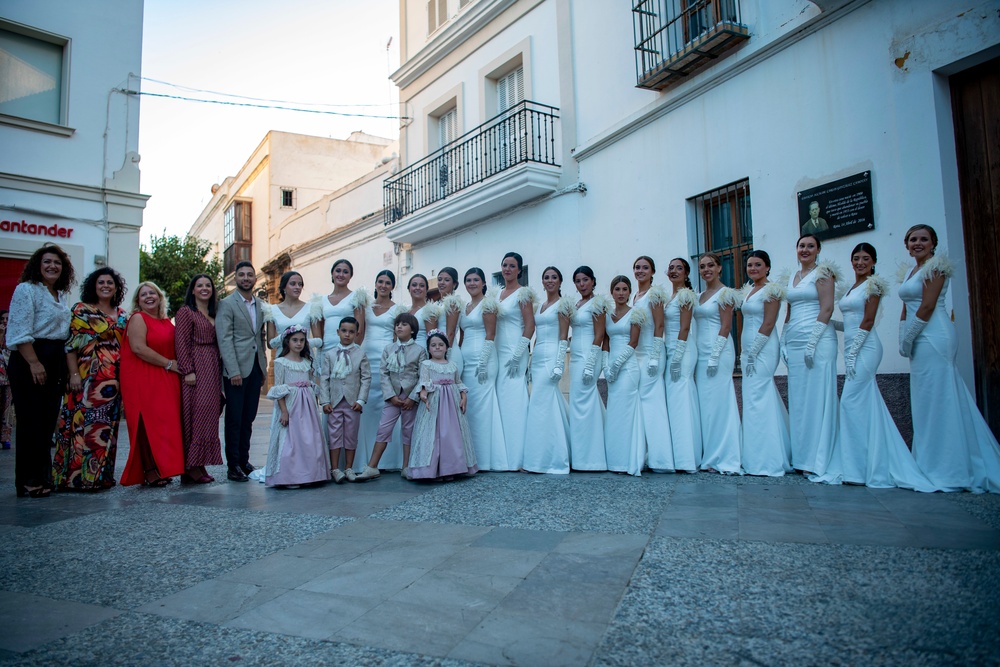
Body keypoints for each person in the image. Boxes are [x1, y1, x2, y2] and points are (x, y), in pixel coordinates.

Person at [811, 243, 937, 491]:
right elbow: (851, 321)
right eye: (856, 258)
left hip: (866, 349)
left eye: (865, 258)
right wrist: (831, 325)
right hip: (852, 348)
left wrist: (853, 353)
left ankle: (862, 467)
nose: (860, 262)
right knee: (864, 404)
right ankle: (861, 464)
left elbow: (867, 321)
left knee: (849, 402)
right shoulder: (851, 289)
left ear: (873, 261)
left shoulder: (873, 285)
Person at [898, 224, 1000, 492]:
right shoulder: (910, 271)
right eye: (912, 240)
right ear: (906, 244)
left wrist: (910, 336)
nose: (917, 243)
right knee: (925, 399)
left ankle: (950, 468)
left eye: (923, 239)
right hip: (916, 335)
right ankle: (927, 462)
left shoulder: (937, 267)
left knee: (941, 395)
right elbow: (905, 307)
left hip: (934, 335)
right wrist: (902, 335)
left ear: (933, 243)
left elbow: (928, 305)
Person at [6, 245, 74, 497]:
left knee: (46, 424)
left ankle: (44, 475)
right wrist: (34, 363)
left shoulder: (59, 295)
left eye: (57, 262)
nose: (52, 266)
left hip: (54, 358)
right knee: (30, 422)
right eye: (47, 261)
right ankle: (27, 480)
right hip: (30, 358)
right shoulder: (27, 290)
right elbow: (20, 330)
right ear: (38, 264)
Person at [53, 267, 128, 491]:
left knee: (105, 429)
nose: (105, 286)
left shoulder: (123, 314)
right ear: (93, 286)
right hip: (86, 378)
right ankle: (76, 478)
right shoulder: (82, 310)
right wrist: (74, 374)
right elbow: (70, 346)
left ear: (116, 288)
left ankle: (100, 477)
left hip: (113, 381)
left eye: (110, 283)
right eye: (101, 282)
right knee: (79, 427)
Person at [782, 234, 841, 475]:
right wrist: (784, 340)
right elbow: (789, 310)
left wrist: (813, 342)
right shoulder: (792, 277)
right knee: (800, 400)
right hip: (794, 342)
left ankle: (819, 460)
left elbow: (827, 307)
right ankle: (803, 458)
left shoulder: (823, 273)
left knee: (817, 397)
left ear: (818, 250)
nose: (805, 250)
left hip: (817, 341)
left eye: (810, 246)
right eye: (801, 246)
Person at [119, 282, 184, 487]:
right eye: (143, 294)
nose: (148, 297)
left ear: (159, 296)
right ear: (138, 301)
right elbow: (138, 348)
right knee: (146, 424)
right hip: (145, 377)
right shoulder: (138, 318)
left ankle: (162, 467)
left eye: (152, 293)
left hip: (166, 377)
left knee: (163, 424)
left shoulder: (166, 322)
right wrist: (168, 364)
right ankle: (149, 470)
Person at [739, 251, 792, 476]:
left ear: (767, 267)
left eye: (758, 265)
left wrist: (753, 352)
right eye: (750, 265)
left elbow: (769, 323)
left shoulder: (772, 290)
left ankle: (768, 459)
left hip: (764, 348)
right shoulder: (750, 290)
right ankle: (755, 454)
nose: (753, 269)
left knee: (759, 397)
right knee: (752, 399)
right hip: (747, 349)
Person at [356, 313, 427, 480]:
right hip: (393, 398)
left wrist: (413, 397)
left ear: (412, 330)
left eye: (404, 324)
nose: (399, 327)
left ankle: (406, 466)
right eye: (397, 324)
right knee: (383, 429)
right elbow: (384, 373)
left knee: (408, 430)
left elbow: (422, 376)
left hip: (410, 398)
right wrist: (390, 396)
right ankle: (372, 466)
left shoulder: (419, 351)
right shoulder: (389, 349)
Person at [216, 261, 267, 482]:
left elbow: (260, 336)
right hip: (236, 371)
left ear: (255, 279)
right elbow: (224, 339)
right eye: (242, 275)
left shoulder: (261, 305)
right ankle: (233, 465)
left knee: (249, 418)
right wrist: (232, 370)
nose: (246, 278)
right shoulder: (226, 304)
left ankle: (244, 459)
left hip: (256, 368)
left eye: (249, 275)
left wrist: (263, 367)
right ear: (235, 278)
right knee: (235, 419)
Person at [693, 253, 742, 474]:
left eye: (710, 265)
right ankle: (709, 454)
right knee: (706, 405)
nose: (706, 270)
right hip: (700, 351)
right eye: (702, 266)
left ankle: (724, 454)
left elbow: (726, 326)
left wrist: (715, 354)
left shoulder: (725, 294)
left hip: (718, 351)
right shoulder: (699, 295)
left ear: (720, 268)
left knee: (720, 402)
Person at [406, 330, 478, 480]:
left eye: (441, 345)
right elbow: (424, 382)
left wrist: (464, 396)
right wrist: (424, 394)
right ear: (429, 348)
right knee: (432, 435)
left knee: (451, 435)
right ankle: (432, 470)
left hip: (451, 405)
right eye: (433, 345)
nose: (437, 348)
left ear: (446, 347)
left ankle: (451, 469)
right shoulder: (426, 364)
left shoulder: (452, 365)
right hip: (434, 403)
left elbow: (458, 382)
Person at [522, 266, 573, 474]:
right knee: (541, 402)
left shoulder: (563, 304)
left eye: (554, 277)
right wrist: (530, 361)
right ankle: (542, 456)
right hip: (539, 353)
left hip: (553, 354)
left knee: (544, 402)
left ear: (560, 282)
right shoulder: (539, 306)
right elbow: (535, 333)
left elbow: (563, 335)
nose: (550, 281)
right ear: (542, 282)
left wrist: (560, 363)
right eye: (546, 278)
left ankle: (552, 459)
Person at [264, 326, 329, 488]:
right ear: (287, 341)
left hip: (307, 408)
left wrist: (315, 405)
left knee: (309, 439)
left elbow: (312, 386)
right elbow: (279, 389)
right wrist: (284, 411)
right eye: (295, 340)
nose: (299, 344)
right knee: (291, 441)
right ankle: (290, 477)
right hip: (291, 406)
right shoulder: (280, 362)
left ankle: (310, 475)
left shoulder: (307, 362)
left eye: (301, 340)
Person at [175, 273, 224, 484]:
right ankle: (190, 466)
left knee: (209, 416)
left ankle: (200, 463)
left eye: (208, 285)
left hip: (213, 366)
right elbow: (181, 343)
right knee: (196, 416)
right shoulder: (186, 312)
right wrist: (188, 370)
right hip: (197, 366)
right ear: (193, 290)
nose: (204, 288)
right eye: (200, 285)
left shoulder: (216, 311)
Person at [357, 269, 407, 472]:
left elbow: (398, 337)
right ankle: (363, 457)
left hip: (388, 359)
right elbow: (359, 332)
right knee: (367, 406)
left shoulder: (398, 309)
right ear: (375, 284)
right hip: (367, 355)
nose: (383, 285)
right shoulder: (365, 306)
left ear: (392, 286)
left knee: (386, 406)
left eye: (387, 283)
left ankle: (389, 460)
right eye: (380, 282)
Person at [459, 267, 507, 470]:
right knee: (469, 407)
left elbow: (490, 334)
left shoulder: (488, 304)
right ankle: (471, 455)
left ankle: (488, 458)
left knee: (483, 407)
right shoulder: (464, 306)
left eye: (476, 280)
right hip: (466, 360)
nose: (472, 283)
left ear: (484, 283)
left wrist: (482, 361)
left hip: (484, 361)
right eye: (468, 280)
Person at [631, 256, 674, 471]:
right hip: (637, 354)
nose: (640, 271)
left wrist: (656, 356)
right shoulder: (635, 295)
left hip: (651, 353)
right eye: (637, 267)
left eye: (645, 268)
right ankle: (644, 452)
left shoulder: (654, 294)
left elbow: (659, 326)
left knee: (652, 403)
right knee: (641, 403)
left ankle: (661, 459)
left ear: (652, 271)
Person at [494, 252, 536, 470]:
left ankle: (518, 456)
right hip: (498, 352)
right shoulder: (496, 294)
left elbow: (530, 325)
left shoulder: (523, 294)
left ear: (519, 270)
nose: (507, 269)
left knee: (514, 399)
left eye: (512, 266)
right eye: (504, 265)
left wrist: (519, 354)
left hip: (514, 351)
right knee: (501, 399)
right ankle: (502, 454)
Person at [319, 316, 371, 483]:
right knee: (334, 435)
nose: (347, 335)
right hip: (334, 403)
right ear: (338, 332)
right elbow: (324, 378)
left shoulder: (360, 354)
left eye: (351, 332)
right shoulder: (330, 354)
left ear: (357, 334)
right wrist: (325, 401)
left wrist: (361, 400)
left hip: (352, 403)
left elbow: (366, 378)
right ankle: (335, 469)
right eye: (344, 331)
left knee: (351, 435)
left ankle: (349, 467)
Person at [567, 266, 608, 471]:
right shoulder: (576, 304)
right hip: (575, 357)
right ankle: (581, 455)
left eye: (585, 280)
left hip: (589, 357)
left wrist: (591, 363)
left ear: (593, 281)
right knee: (577, 403)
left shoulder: (597, 303)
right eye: (578, 281)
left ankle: (593, 458)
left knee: (586, 401)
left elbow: (599, 334)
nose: (581, 284)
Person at [604, 275, 645, 476]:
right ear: (612, 292)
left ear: (630, 292)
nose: (621, 293)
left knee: (627, 411)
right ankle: (615, 459)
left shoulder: (636, 313)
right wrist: (606, 365)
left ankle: (628, 460)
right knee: (614, 411)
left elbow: (634, 341)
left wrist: (618, 363)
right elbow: (604, 341)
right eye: (617, 289)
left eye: (624, 289)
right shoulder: (606, 315)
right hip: (611, 367)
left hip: (628, 367)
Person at [664, 259, 701, 473]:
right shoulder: (670, 297)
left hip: (683, 350)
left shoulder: (686, 295)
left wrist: (677, 356)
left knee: (681, 397)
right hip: (670, 350)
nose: (674, 271)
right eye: (671, 268)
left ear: (686, 273)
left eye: (679, 268)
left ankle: (686, 457)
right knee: (675, 400)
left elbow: (685, 327)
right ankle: (678, 452)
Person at [263, 271, 323, 351]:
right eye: (293, 284)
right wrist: (283, 337)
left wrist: (302, 343)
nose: (297, 287)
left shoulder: (311, 308)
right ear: (284, 287)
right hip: (283, 358)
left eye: (300, 284)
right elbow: (270, 344)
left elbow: (319, 341)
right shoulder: (271, 310)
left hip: (305, 358)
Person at [320, 258, 369, 351]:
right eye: (338, 271)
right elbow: (321, 329)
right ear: (332, 273)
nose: (341, 275)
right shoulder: (322, 300)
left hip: (348, 351)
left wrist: (352, 352)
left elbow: (360, 330)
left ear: (350, 276)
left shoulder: (356, 297)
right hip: (326, 351)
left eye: (345, 272)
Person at [427, 267, 464, 376]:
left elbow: (451, 332)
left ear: (454, 284)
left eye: (446, 280)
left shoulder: (453, 302)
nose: (442, 283)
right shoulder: (437, 304)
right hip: (437, 350)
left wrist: (445, 356)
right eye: (439, 279)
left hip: (449, 352)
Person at [406, 274, 437, 349]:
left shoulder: (429, 310)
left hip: (422, 352)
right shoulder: (405, 310)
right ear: (409, 288)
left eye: (422, 286)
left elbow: (432, 339)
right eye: (414, 285)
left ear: (426, 290)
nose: (418, 288)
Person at [0, 310, 10, 449]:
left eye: (7, 318)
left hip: (7, 378)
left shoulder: (13, 334)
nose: (5, 321)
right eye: (2, 318)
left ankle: (5, 437)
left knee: (6, 410)